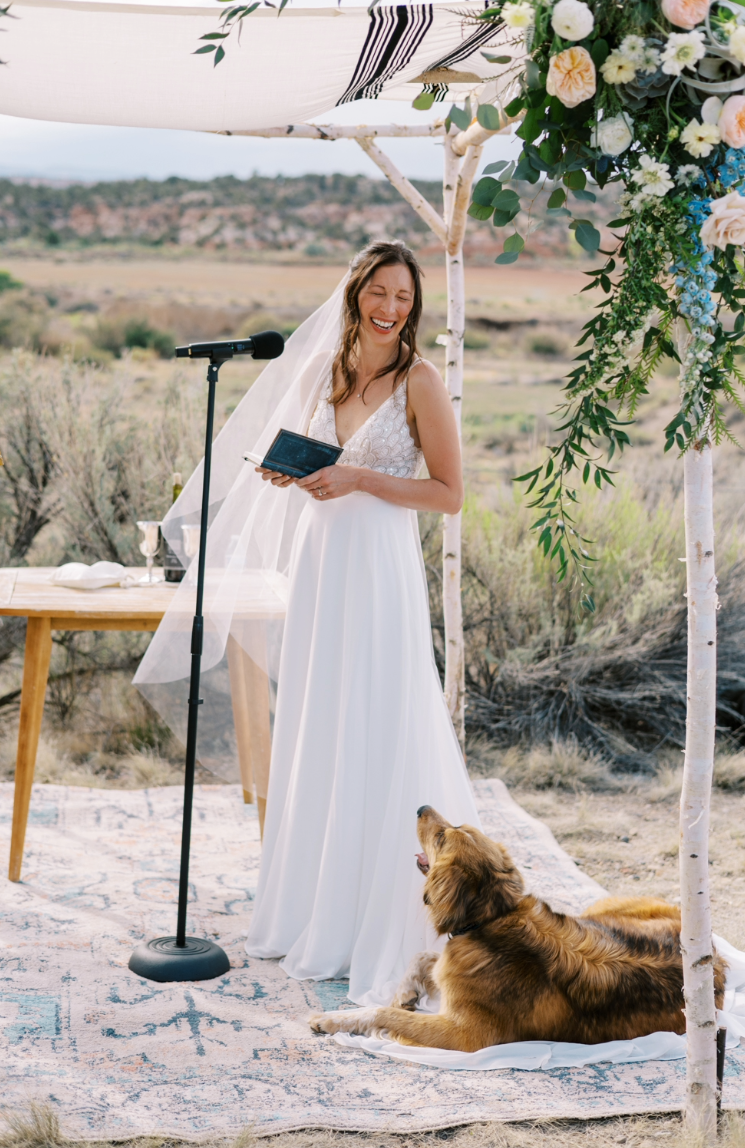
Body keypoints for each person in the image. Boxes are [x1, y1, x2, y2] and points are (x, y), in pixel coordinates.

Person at [242, 241, 479, 1004]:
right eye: (379, 291)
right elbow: (320, 465)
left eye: (404, 297)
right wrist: (296, 472)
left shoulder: (421, 380)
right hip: (323, 564)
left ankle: (385, 921)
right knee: (322, 720)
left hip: (378, 567)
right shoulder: (324, 372)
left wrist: (359, 478)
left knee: (380, 719)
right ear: (355, 294)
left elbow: (448, 494)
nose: (391, 307)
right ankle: (318, 908)